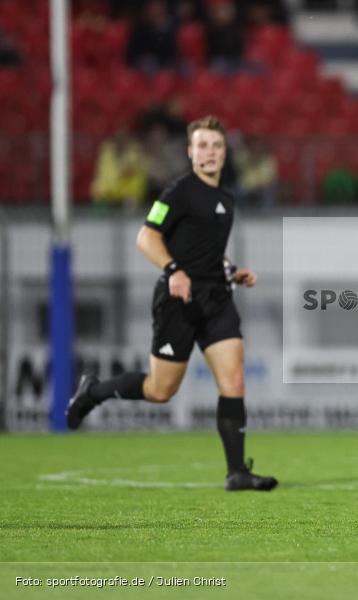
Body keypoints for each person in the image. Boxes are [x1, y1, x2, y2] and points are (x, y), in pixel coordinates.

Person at [66, 115, 278, 492]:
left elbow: (206, 251)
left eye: (216, 146)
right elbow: (146, 237)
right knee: (161, 391)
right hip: (178, 300)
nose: (210, 152)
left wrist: (232, 270)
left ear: (224, 153)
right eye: (202, 145)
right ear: (190, 152)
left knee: (234, 378)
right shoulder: (178, 192)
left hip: (216, 299)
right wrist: (174, 270)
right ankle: (94, 392)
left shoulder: (227, 199)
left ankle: (237, 473)